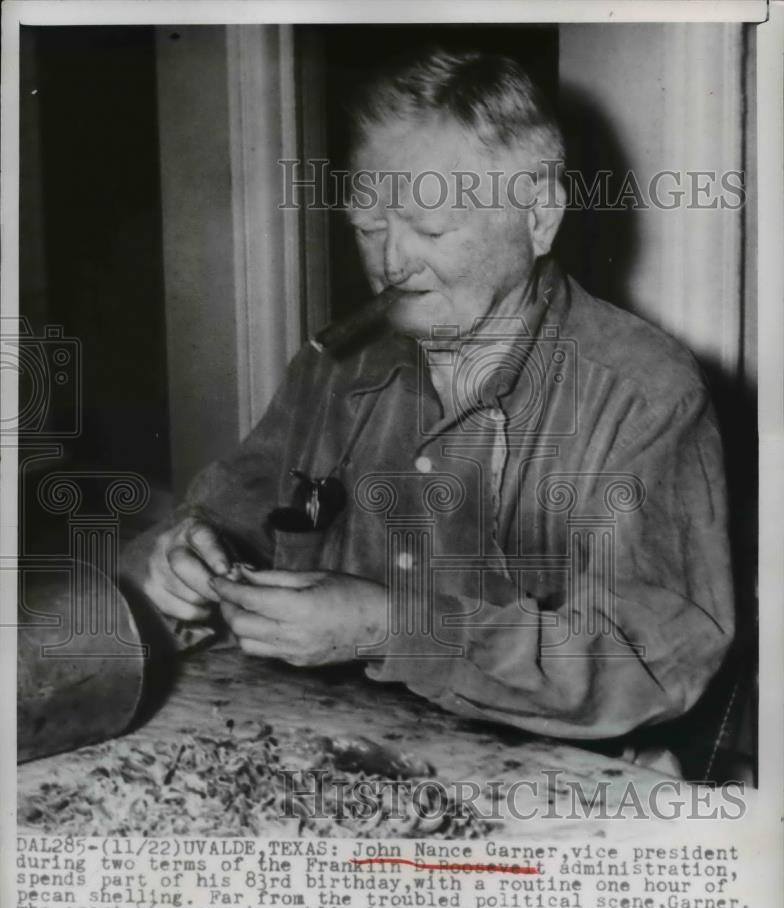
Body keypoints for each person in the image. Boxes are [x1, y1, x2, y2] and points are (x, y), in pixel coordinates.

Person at [122, 49, 734, 744]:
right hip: (335, 747)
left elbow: (650, 662)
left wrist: (395, 628)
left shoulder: (646, 395)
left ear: (539, 218)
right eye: (369, 226)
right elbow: (230, 519)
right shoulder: (335, 367)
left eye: (431, 227)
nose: (393, 262)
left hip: (552, 779)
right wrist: (179, 558)